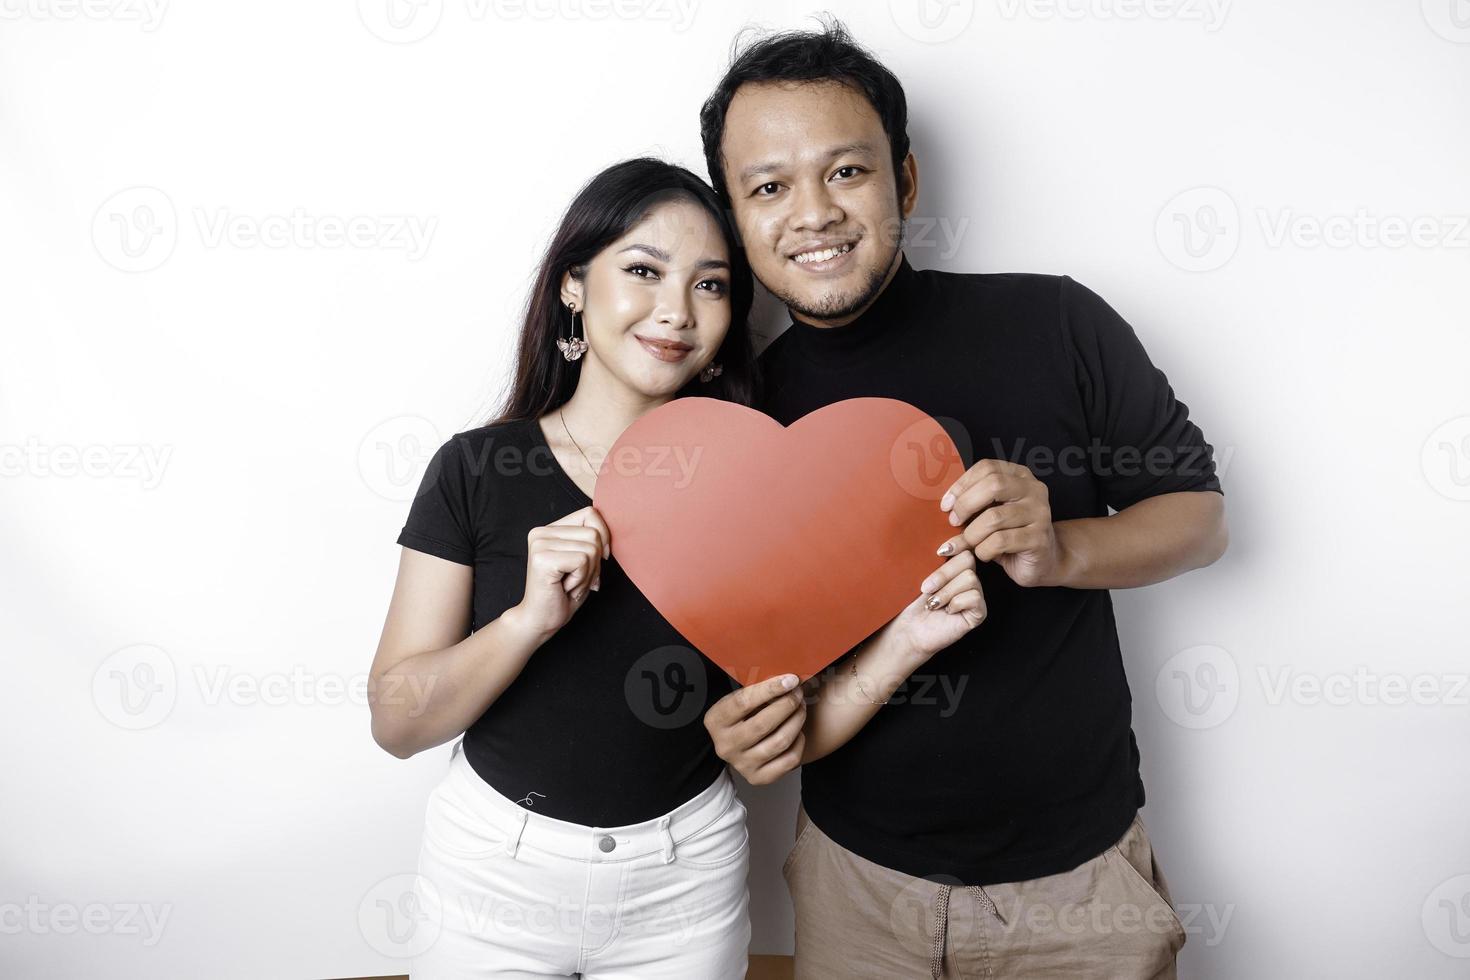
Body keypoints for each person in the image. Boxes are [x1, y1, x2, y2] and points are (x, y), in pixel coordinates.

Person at [698, 22, 1229, 980]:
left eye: (846, 172)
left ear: (903, 181)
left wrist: (1061, 549)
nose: (811, 212)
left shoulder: (1055, 321)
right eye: (768, 186)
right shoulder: (739, 418)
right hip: (852, 885)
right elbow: (769, 673)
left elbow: (1199, 516)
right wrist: (745, 725)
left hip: (1077, 887)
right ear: (736, 219)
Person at [367, 157, 985, 978]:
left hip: (685, 878)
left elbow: (785, 731)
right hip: (493, 871)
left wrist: (908, 640)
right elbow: (398, 722)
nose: (676, 311)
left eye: (711, 284)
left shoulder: (759, 494)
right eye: (643, 271)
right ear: (573, 287)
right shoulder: (477, 469)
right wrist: (526, 622)